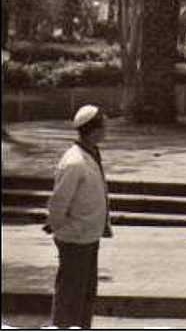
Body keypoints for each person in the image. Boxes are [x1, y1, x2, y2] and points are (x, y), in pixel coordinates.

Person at [45, 104, 113, 329]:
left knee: (85, 293)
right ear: (94, 129)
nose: (107, 128)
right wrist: (62, 229)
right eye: (104, 124)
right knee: (70, 294)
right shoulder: (74, 162)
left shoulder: (91, 153)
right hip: (75, 238)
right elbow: (58, 202)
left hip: (89, 236)